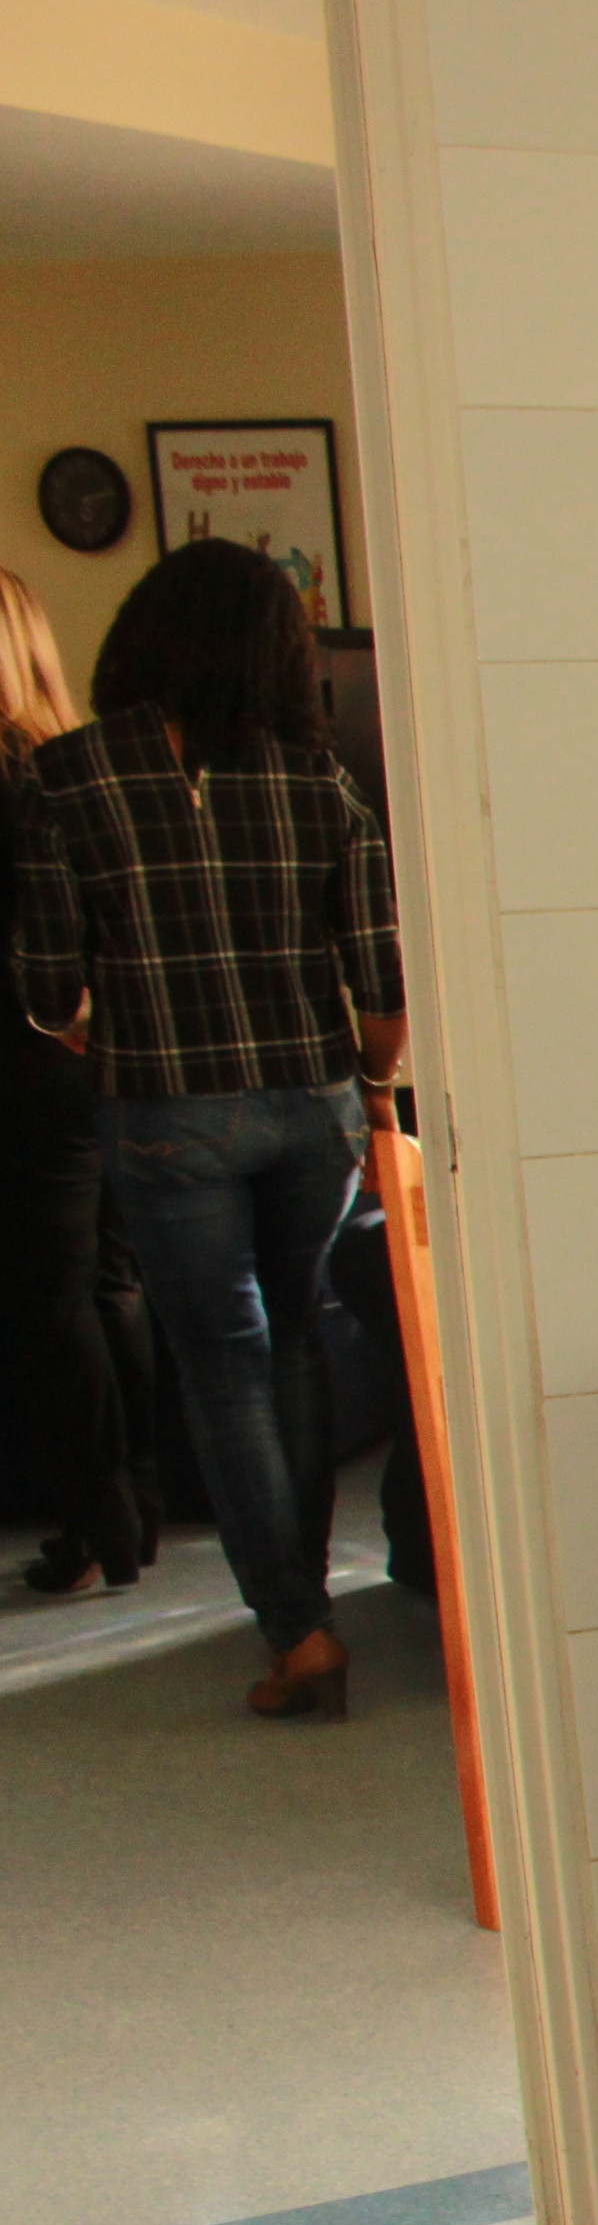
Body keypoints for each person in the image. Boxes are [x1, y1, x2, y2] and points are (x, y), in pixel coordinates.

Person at [10, 541, 404, 1713]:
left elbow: (46, 985)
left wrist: (91, 1028)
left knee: (222, 1363)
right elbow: (382, 988)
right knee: (296, 1340)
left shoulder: (69, 777)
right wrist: (373, 1085)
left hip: (166, 1112)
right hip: (311, 1106)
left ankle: (297, 1631)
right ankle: (311, 1603)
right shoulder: (318, 780)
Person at [0, 565, 159, 1603]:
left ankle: (98, 1522)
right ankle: (133, 1504)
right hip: (99, 1054)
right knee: (112, 1284)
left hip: (22, 1053)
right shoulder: (73, 765)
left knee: (50, 1300)